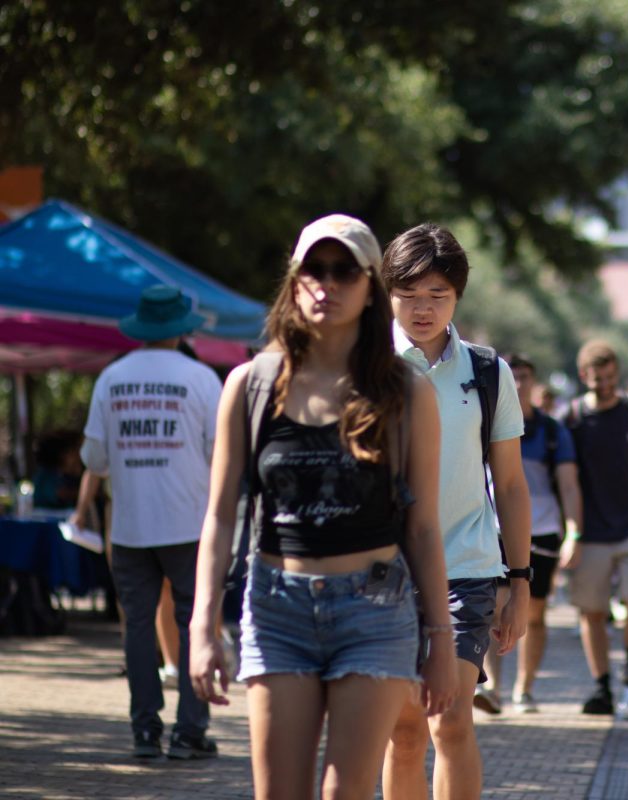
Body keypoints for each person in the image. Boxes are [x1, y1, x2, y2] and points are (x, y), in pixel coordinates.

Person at [188, 215, 456, 798]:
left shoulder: (406, 392)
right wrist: (202, 625)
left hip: (373, 611)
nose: (326, 284)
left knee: (343, 792)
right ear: (294, 280)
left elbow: (424, 526)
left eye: (344, 271)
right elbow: (219, 516)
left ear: (368, 290)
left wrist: (440, 639)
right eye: (313, 269)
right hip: (277, 606)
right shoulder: (252, 385)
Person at [381, 223, 531, 800]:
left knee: (451, 719)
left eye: (437, 295)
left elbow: (511, 483)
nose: (422, 309)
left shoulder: (488, 372)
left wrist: (518, 583)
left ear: (458, 298)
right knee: (404, 730)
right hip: (386, 571)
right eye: (409, 294)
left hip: (465, 568)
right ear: (387, 293)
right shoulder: (368, 372)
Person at [68, 284, 223, 760]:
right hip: (191, 526)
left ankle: (144, 731)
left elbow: (94, 456)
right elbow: (221, 454)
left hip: (131, 529)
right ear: (181, 330)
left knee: (137, 627)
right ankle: (188, 733)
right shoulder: (201, 379)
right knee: (196, 623)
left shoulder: (111, 379)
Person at [473, 353, 584, 714]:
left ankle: (525, 688)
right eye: (513, 376)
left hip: (545, 531)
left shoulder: (553, 431)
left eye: (524, 377)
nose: (518, 383)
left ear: (534, 383)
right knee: (495, 609)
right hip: (495, 529)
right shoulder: (482, 421)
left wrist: (573, 532)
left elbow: (569, 486)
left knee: (533, 615)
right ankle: (493, 688)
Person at [561, 340, 628, 715]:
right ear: (583, 375)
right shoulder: (571, 419)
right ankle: (601, 684)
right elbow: (566, 481)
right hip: (592, 532)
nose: (602, 384)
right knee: (592, 611)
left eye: (608, 377)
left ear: (616, 374)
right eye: (594, 377)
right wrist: (572, 532)